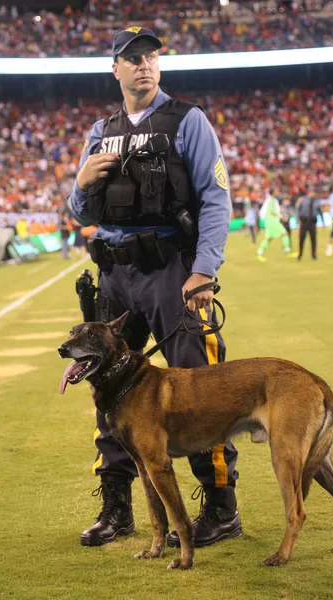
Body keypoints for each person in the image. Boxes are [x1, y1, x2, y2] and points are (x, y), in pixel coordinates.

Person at [68, 27, 241, 551]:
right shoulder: (101, 130)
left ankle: (220, 507)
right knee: (109, 388)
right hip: (115, 275)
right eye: (132, 58)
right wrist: (79, 184)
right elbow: (79, 213)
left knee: (198, 386)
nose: (144, 65)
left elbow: (217, 197)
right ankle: (116, 506)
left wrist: (204, 269)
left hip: (171, 269)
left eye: (151, 57)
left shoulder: (189, 120)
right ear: (115, 69)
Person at [256, 189, 297, 262]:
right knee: (284, 234)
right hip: (272, 222)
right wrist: (280, 215)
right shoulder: (271, 200)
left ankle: (259, 252)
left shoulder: (273, 200)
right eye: (276, 191)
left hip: (271, 221)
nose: (277, 192)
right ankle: (287, 251)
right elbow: (271, 212)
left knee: (269, 238)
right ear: (273, 193)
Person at [295, 189, 324, 260]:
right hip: (304, 222)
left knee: (313, 240)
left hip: (312, 222)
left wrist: (323, 222)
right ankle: (299, 254)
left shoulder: (317, 201)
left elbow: (320, 212)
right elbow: (298, 209)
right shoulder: (303, 199)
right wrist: (298, 219)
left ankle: (314, 255)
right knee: (301, 239)